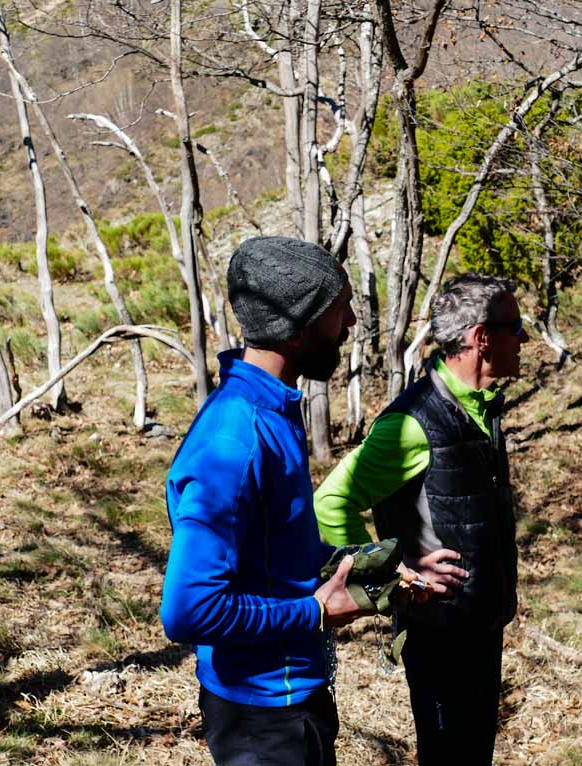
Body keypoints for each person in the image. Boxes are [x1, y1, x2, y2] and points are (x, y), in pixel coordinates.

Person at [160, 236, 372, 766]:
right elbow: (188, 610)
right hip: (263, 717)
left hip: (289, 698)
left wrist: (374, 569)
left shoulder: (272, 406)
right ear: (299, 329)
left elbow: (269, 549)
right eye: (339, 309)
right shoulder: (237, 438)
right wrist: (314, 612)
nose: (349, 324)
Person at [314, 274, 528, 766]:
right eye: (515, 327)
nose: (524, 339)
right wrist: (390, 573)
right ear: (481, 338)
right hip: (439, 636)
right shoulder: (410, 423)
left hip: (480, 625)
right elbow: (330, 501)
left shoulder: (482, 405)